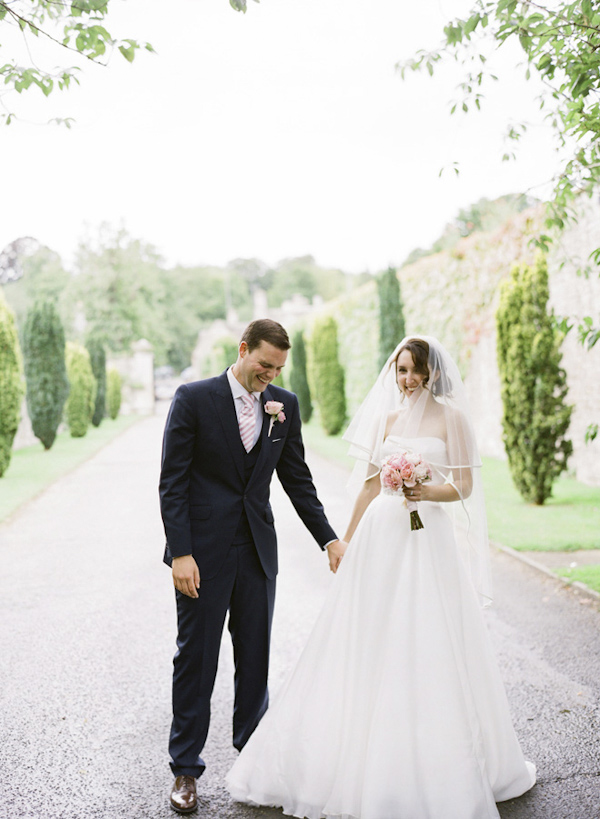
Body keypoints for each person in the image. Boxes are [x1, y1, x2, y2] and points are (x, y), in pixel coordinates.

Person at [226, 335, 536, 819]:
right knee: (366, 638)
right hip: (380, 538)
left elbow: (464, 485)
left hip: (428, 538)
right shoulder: (387, 420)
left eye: (414, 371)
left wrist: (421, 490)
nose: (406, 380)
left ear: (432, 373)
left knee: (428, 638)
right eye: (400, 370)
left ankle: (434, 759)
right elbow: (371, 484)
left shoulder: (452, 419)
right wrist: (343, 540)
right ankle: (359, 754)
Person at [159, 318, 347, 814]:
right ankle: (185, 770)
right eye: (264, 364)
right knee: (196, 660)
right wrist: (180, 553)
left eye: (278, 368)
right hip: (200, 556)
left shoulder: (284, 406)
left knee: (256, 660)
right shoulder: (193, 399)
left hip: (257, 552)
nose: (270, 375)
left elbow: (297, 479)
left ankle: (253, 762)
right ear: (243, 350)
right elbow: (172, 482)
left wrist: (328, 538)